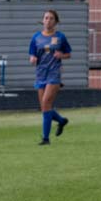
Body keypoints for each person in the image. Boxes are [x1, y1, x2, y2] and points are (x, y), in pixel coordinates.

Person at [28, 9, 70, 146]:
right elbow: (32, 54)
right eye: (46, 18)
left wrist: (61, 55)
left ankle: (45, 139)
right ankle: (61, 121)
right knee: (44, 108)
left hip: (54, 73)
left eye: (51, 18)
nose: (48, 20)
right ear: (43, 20)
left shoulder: (60, 37)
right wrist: (32, 58)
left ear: (56, 22)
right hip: (41, 74)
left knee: (46, 103)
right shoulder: (36, 37)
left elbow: (68, 54)